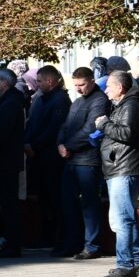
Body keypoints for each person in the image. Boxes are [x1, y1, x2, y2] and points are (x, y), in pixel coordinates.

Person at [95, 71, 139, 277]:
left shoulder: (131, 105)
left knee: (121, 220)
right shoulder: (127, 104)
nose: (106, 90)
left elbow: (126, 133)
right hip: (120, 167)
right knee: (126, 217)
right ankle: (137, 263)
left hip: (125, 168)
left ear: (120, 87)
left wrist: (104, 124)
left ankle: (125, 264)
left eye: (109, 86)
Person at [55, 67, 110, 259]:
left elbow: (90, 129)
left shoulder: (100, 100)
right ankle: (72, 243)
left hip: (88, 160)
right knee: (68, 203)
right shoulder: (77, 102)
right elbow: (66, 125)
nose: (78, 89)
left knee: (90, 204)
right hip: (71, 160)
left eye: (82, 85)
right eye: (76, 85)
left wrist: (67, 145)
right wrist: (60, 144)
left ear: (92, 81)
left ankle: (92, 245)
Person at [23, 65, 70, 247]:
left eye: (40, 81)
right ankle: (46, 234)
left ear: (50, 81)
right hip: (37, 154)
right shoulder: (41, 98)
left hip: (50, 155)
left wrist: (33, 144)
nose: (37, 84)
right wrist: (26, 143)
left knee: (53, 196)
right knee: (42, 196)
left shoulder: (59, 100)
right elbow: (32, 123)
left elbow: (54, 128)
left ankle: (56, 235)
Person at [0, 69, 26, 258]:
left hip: (7, 160)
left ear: (5, 83)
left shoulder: (11, 103)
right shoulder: (7, 101)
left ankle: (13, 245)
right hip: (5, 159)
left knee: (10, 204)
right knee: (5, 203)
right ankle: (10, 241)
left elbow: (2, 133)